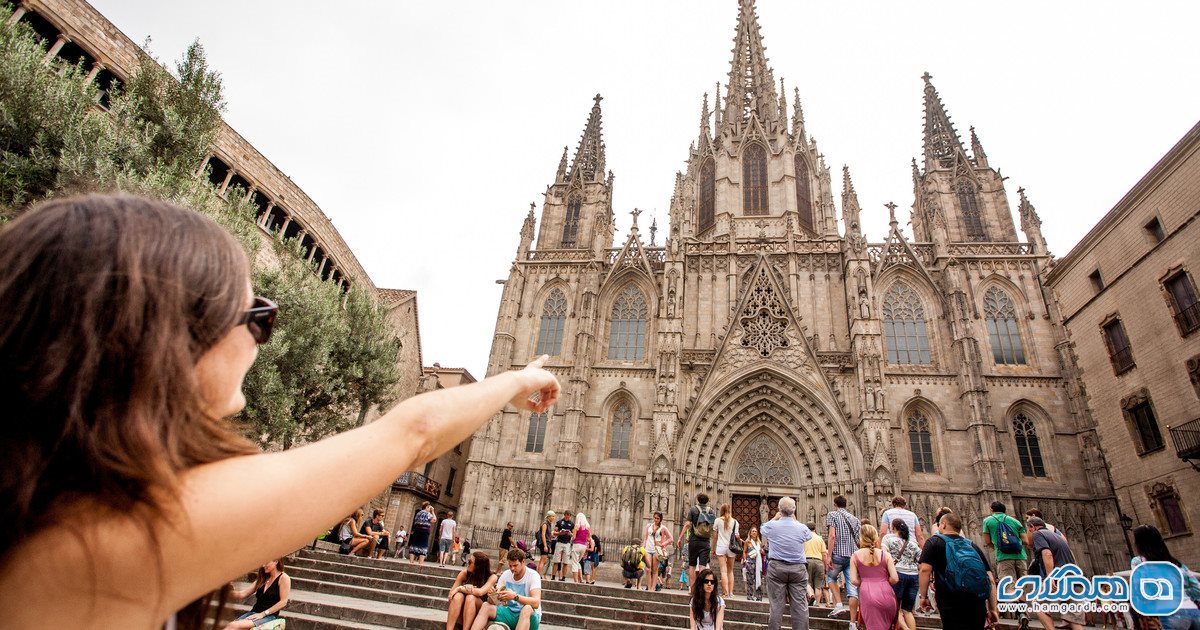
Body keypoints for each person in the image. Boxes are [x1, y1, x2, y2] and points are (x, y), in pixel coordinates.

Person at [0, 193, 562, 628]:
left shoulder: (45, 511)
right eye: (257, 313)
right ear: (167, 334)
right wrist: (516, 380)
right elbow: (411, 434)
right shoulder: (114, 534)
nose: (264, 335)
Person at [918, 513, 999, 629]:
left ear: (944, 524)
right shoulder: (972, 545)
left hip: (950, 601)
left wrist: (923, 597)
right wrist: (992, 609)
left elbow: (925, 570)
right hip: (977, 602)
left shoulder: (933, 542)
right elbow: (990, 579)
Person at [1132, 524, 1200, 630]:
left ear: (1139, 544)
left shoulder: (1139, 562)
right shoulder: (1176, 563)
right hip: (1193, 611)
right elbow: (1196, 588)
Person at [760, 496, 813, 630]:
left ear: (779, 509)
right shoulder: (802, 528)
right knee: (800, 607)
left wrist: (775, 518)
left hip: (777, 567)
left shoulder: (772, 526)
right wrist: (795, 520)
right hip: (797, 569)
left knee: (776, 607)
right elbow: (808, 536)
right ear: (794, 510)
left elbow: (762, 529)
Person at [1026, 517, 1084, 630]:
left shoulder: (1038, 534)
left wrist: (1051, 577)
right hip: (1073, 579)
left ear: (1032, 527)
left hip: (1058, 578)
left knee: (1038, 605)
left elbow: (1047, 554)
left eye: (1028, 530)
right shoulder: (1059, 537)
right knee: (1073, 618)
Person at [471, 548, 543, 630]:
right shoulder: (506, 574)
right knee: (486, 605)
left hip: (528, 617)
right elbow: (493, 602)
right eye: (510, 566)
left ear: (523, 562)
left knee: (527, 608)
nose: (512, 569)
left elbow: (536, 603)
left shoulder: (533, 575)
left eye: (515, 565)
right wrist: (492, 595)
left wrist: (515, 597)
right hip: (509, 613)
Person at [850, 525, 899, 630]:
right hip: (887, 594)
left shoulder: (855, 555)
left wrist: (865, 581)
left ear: (861, 538)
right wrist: (883, 580)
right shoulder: (885, 554)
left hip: (867, 594)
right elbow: (895, 578)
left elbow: (853, 580)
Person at [825, 495, 862, 621]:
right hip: (852, 557)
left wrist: (828, 556)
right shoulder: (855, 519)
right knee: (852, 589)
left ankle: (839, 605)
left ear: (835, 504)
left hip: (838, 554)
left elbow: (832, 536)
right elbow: (859, 539)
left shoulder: (833, 515)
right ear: (846, 505)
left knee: (830, 577)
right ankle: (852, 622)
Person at [224, 558, 290, 629]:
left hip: (269, 616)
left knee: (233, 626)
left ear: (276, 561)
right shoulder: (263, 578)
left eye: (266, 562)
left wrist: (263, 614)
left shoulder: (283, 578)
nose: (263, 565)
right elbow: (242, 594)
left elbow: (283, 602)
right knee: (230, 626)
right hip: (254, 614)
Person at [882, 519, 921, 630]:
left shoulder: (888, 538)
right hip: (913, 576)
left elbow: (884, 555)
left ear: (893, 527)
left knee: (895, 608)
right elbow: (920, 558)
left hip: (897, 574)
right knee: (907, 610)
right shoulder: (912, 542)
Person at [447, 551, 497, 630]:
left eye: (470, 562)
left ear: (478, 566)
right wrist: (462, 589)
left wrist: (460, 588)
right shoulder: (463, 574)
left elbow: (480, 592)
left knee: (470, 597)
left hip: (479, 614)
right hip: (461, 612)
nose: (467, 563)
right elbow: (450, 596)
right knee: (458, 596)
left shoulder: (492, 577)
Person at [681, 493, 717, 586]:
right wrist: (713, 547)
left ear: (698, 499)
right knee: (702, 566)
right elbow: (714, 528)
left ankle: (693, 588)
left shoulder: (693, 509)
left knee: (692, 566)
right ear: (707, 500)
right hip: (706, 542)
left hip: (694, 540)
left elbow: (687, 524)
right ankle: (701, 588)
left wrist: (680, 538)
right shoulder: (711, 511)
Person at [643, 511, 674, 592]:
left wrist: (662, 544)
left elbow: (671, 538)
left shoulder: (663, 528)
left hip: (656, 550)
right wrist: (642, 547)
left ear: (660, 519)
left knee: (655, 570)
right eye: (655, 518)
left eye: (657, 518)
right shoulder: (648, 526)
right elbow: (645, 538)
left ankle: (652, 588)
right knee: (648, 569)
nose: (656, 520)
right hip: (648, 549)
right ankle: (649, 587)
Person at [713, 504, 739, 598]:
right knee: (730, 571)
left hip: (721, 547)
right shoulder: (735, 522)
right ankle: (731, 593)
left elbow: (715, 536)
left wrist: (713, 548)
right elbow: (737, 536)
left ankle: (726, 593)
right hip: (731, 548)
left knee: (723, 571)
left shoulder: (717, 520)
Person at [803, 521, 829, 606]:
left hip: (807, 560)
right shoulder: (819, 538)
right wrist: (825, 565)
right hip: (818, 561)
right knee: (819, 585)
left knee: (807, 581)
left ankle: (810, 595)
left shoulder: (804, 538)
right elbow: (824, 554)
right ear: (815, 528)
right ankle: (817, 603)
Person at [742, 527, 765, 601]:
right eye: (753, 531)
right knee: (750, 580)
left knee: (759, 579)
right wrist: (745, 560)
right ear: (750, 533)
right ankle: (750, 596)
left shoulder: (759, 542)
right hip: (750, 562)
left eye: (755, 531)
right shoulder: (747, 541)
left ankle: (759, 596)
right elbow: (745, 551)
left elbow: (762, 552)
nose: (754, 532)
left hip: (758, 563)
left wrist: (762, 551)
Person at [551, 510, 575, 581]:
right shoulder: (559, 522)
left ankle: (563, 577)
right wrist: (559, 533)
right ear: (564, 515)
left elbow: (574, 535)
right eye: (566, 514)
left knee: (566, 561)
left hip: (567, 543)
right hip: (559, 542)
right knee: (556, 560)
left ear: (570, 516)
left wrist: (570, 534)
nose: (567, 516)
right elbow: (554, 532)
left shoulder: (572, 524)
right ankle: (553, 576)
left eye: (569, 515)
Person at [570, 512, 591, 583]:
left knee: (574, 563)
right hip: (584, 546)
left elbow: (574, 537)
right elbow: (589, 539)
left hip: (577, 545)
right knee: (578, 562)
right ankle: (581, 579)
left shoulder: (577, 526)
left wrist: (571, 534)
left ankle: (576, 580)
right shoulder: (587, 527)